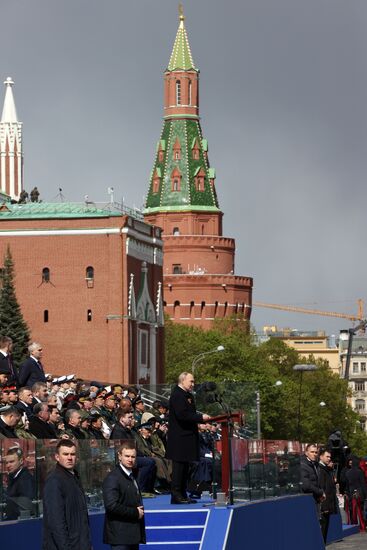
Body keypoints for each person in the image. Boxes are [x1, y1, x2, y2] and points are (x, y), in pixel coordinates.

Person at [166, 372, 211, 504]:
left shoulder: (188, 395)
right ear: (182, 380)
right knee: (179, 467)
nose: (193, 384)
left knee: (186, 467)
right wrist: (200, 418)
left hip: (188, 436)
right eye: (191, 381)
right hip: (180, 437)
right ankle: (176, 495)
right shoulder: (177, 395)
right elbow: (182, 415)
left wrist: (200, 419)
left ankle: (183, 493)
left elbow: (190, 413)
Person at [42, 439, 92, 550]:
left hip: (81, 544)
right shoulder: (54, 480)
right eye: (65, 454)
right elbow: (56, 522)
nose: (69, 457)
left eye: (72, 454)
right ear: (57, 457)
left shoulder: (74, 476)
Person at [102, 441, 146, 550]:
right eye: (127, 456)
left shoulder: (132, 475)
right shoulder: (113, 478)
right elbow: (111, 505)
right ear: (119, 456)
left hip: (131, 535)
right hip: (120, 537)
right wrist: (135, 512)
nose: (130, 459)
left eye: (133, 457)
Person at [4, 447, 35, 519]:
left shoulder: (25, 479)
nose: (8, 465)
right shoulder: (13, 476)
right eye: (7, 462)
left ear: (21, 461)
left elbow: (26, 505)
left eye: (11, 462)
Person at [318, 447, 338, 543]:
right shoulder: (321, 470)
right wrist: (325, 506)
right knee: (323, 530)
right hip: (324, 506)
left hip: (328, 504)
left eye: (330, 457)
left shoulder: (326, 469)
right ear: (321, 457)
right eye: (327, 456)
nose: (329, 458)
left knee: (325, 530)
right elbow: (322, 489)